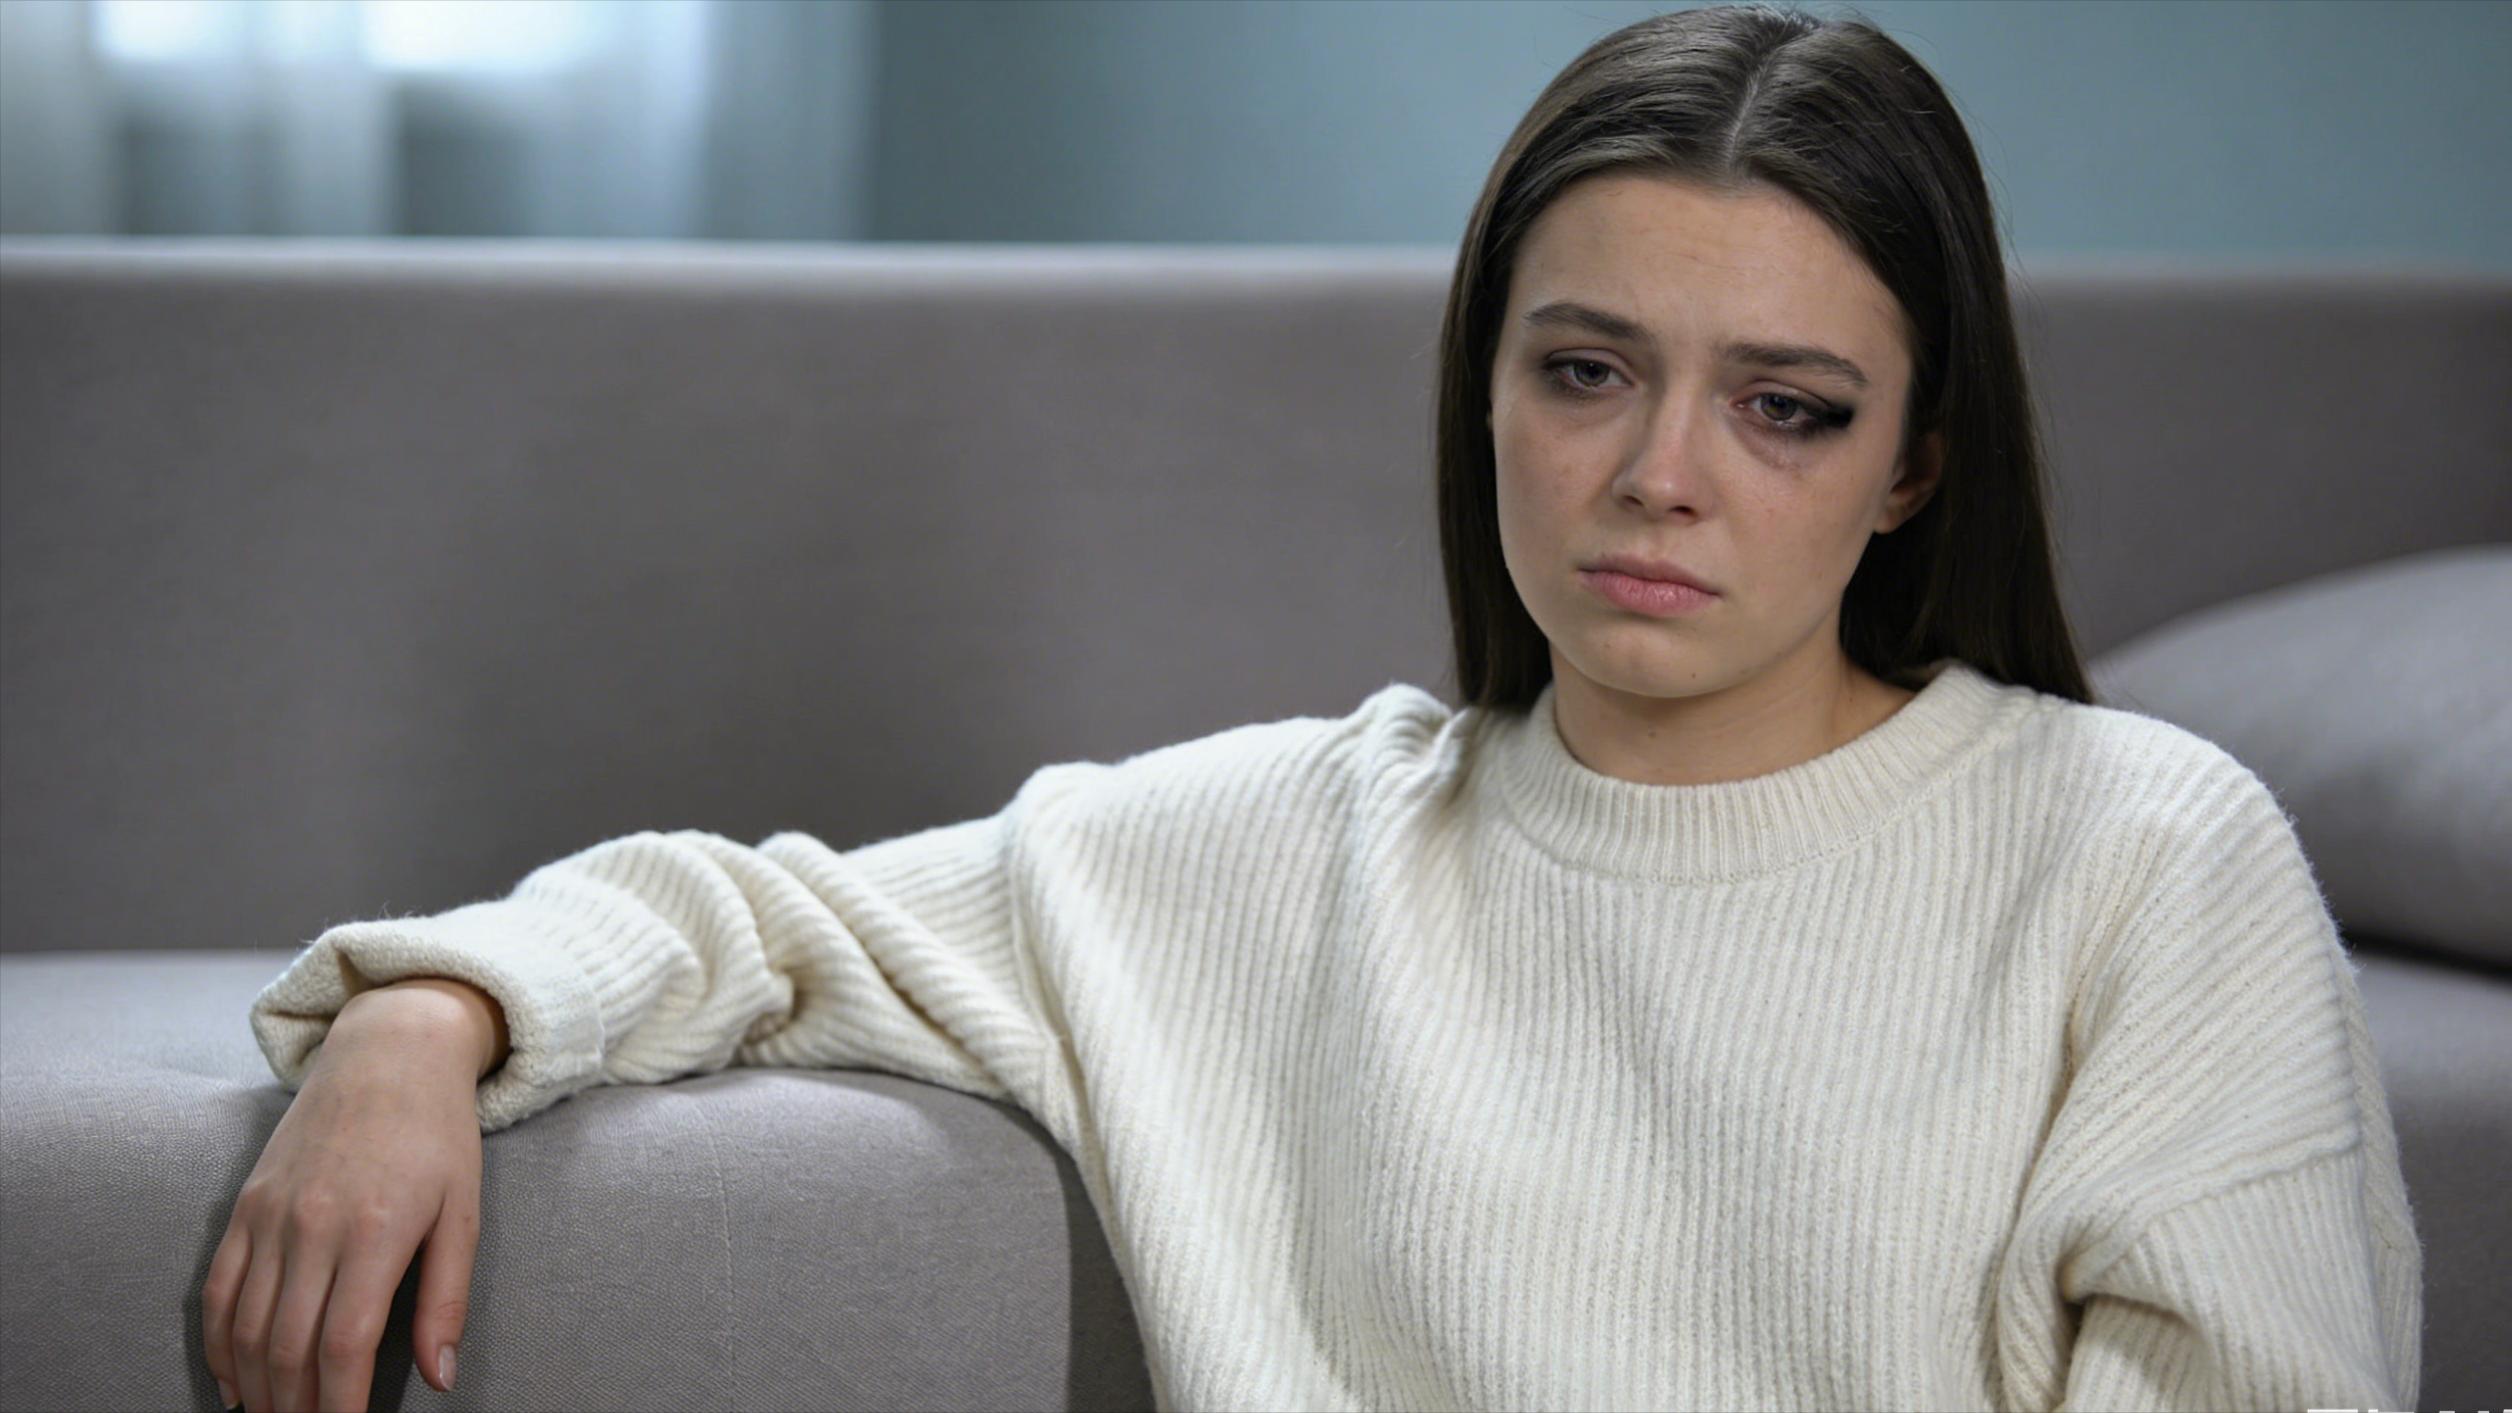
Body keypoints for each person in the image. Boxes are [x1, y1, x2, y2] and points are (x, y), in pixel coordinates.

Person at [202, 5, 2423, 1411]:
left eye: (1785, 406)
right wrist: (429, 1020)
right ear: (1487, 391)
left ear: (1913, 463)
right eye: (1585, 370)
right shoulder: (1279, 848)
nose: (1658, 473)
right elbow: (755, 916)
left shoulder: (2144, 850)